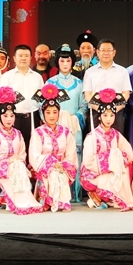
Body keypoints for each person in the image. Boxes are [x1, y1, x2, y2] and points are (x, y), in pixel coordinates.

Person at [0, 87, 45, 215]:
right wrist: (8, 161)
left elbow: (22, 154)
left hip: (14, 168)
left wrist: (17, 162)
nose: (9, 119)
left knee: (18, 167)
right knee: (15, 169)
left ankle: (22, 200)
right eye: (5, 116)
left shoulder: (18, 134)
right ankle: (16, 201)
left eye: (12, 116)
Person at [80, 89, 133, 210]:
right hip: (94, 174)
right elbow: (88, 162)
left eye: (111, 115)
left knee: (125, 170)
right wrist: (111, 160)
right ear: (99, 117)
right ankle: (101, 196)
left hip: (113, 171)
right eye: (105, 115)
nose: (108, 119)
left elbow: (128, 152)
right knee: (113, 179)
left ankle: (103, 199)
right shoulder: (92, 136)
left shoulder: (116, 135)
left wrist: (118, 160)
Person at [45, 44, 86, 202]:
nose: (65, 64)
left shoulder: (79, 83)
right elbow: (44, 106)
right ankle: (57, 192)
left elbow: (83, 106)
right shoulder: (50, 83)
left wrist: (75, 118)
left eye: (68, 60)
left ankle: (75, 194)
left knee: (74, 156)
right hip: (55, 125)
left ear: (72, 62)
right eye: (62, 61)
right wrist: (54, 118)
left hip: (74, 126)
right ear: (57, 62)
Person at [29, 84, 77, 212]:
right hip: (44, 167)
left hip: (62, 167)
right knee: (52, 174)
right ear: (42, 114)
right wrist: (52, 164)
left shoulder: (66, 132)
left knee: (60, 174)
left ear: (59, 113)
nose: (51, 116)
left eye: (55, 112)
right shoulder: (38, 132)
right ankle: (49, 200)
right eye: (48, 112)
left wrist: (63, 165)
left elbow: (71, 154)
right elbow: (34, 155)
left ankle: (61, 202)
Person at [82, 38, 132, 134]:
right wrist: (101, 110)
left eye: (109, 50)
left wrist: (114, 110)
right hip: (96, 113)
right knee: (96, 141)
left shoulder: (123, 71)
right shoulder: (89, 72)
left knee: (116, 140)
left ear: (114, 52)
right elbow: (87, 95)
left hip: (117, 113)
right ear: (97, 52)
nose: (106, 53)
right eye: (103, 50)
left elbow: (126, 93)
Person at [0, 44, 44, 147]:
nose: (23, 58)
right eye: (20, 56)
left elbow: (41, 99)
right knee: (14, 147)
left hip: (33, 117)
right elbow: (1, 99)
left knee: (32, 147)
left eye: (26, 56)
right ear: (14, 58)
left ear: (31, 58)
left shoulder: (37, 77)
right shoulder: (7, 76)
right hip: (14, 117)